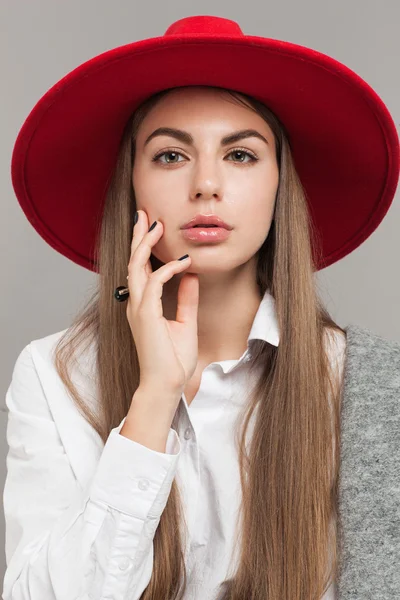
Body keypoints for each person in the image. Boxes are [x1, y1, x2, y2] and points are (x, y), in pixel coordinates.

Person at [3, 15, 400, 600]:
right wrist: (154, 399)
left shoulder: (368, 381)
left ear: (279, 184)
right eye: (170, 156)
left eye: (241, 155)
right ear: (131, 183)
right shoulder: (52, 374)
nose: (206, 185)